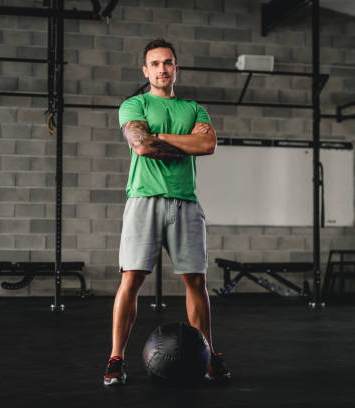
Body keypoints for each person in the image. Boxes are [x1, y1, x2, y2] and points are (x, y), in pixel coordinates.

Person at [103, 38, 231, 386]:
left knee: (196, 281)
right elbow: (142, 147)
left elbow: (207, 144)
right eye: (155, 64)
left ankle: (208, 355)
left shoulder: (194, 109)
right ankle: (116, 358)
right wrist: (176, 141)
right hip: (143, 200)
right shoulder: (134, 104)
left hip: (185, 202)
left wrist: (157, 135)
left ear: (176, 68)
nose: (162, 68)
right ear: (146, 71)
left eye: (168, 62)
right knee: (132, 278)